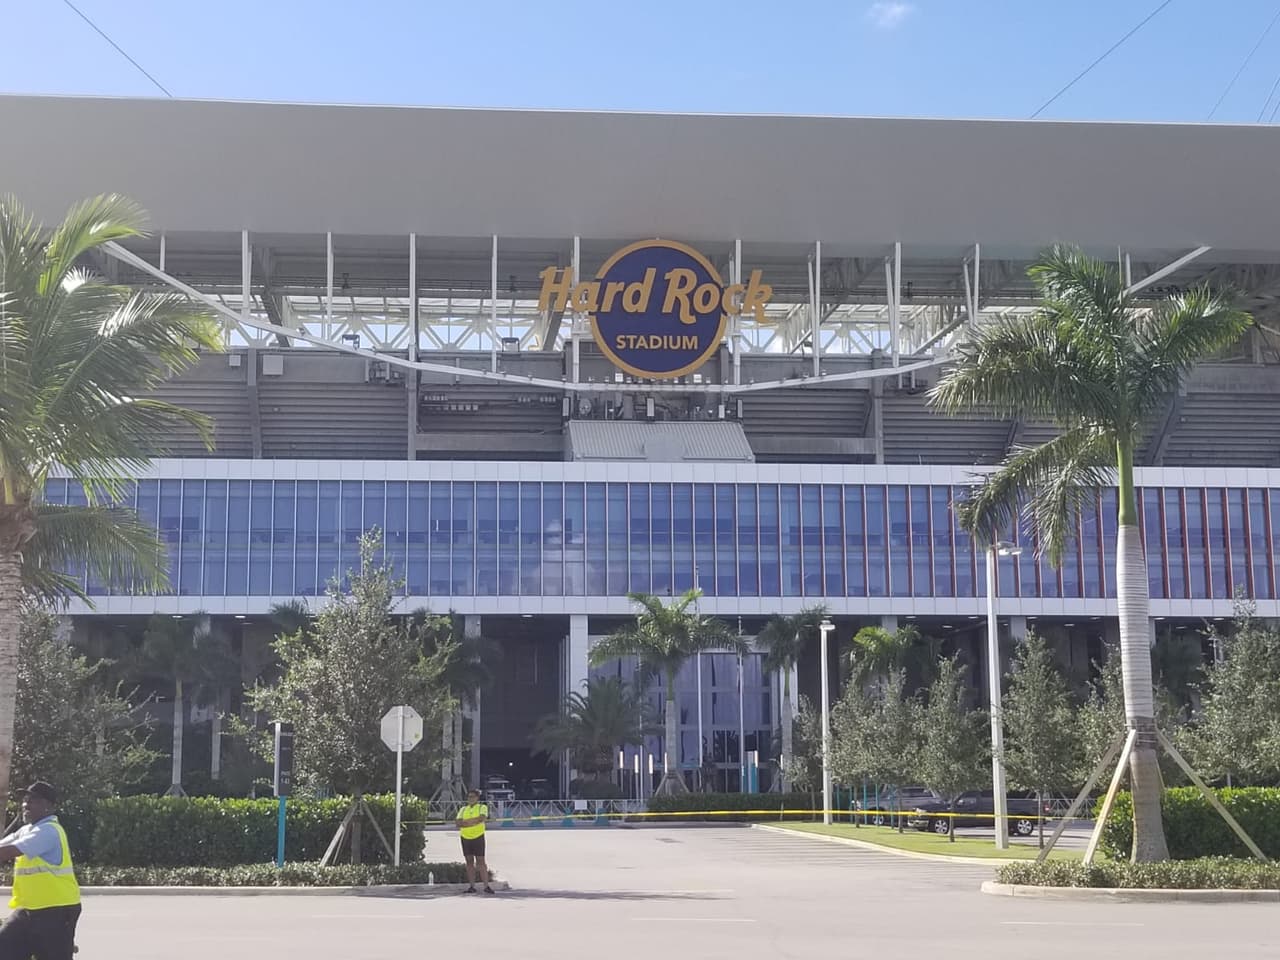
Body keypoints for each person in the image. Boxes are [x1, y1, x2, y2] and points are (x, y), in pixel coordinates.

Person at [0, 782, 81, 960]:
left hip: (56, 912)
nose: (25, 805)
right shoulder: (26, 830)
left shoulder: (49, 831)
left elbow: (7, 852)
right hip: (30, 910)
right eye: (25, 800)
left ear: (49, 806)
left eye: (33, 800)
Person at [455, 789, 494, 895]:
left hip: (478, 837)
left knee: (481, 861)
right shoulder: (463, 809)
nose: (470, 799)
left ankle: (486, 886)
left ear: (477, 798)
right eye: (469, 797)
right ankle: (472, 886)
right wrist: (471, 822)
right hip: (465, 837)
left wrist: (467, 822)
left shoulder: (482, 807)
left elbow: (481, 818)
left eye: (473, 797)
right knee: (469, 862)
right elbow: (458, 822)